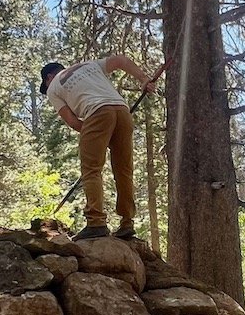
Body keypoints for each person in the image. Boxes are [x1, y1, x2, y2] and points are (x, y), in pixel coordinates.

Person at [40, 53, 159, 240]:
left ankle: (96, 222)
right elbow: (120, 59)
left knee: (91, 169)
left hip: (96, 113)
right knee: (123, 169)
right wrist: (144, 79)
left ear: (48, 78)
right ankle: (127, 223)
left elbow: (72, 122)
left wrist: (93, 133)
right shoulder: (89, 65)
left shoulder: (53, 88)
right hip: (122, 111)